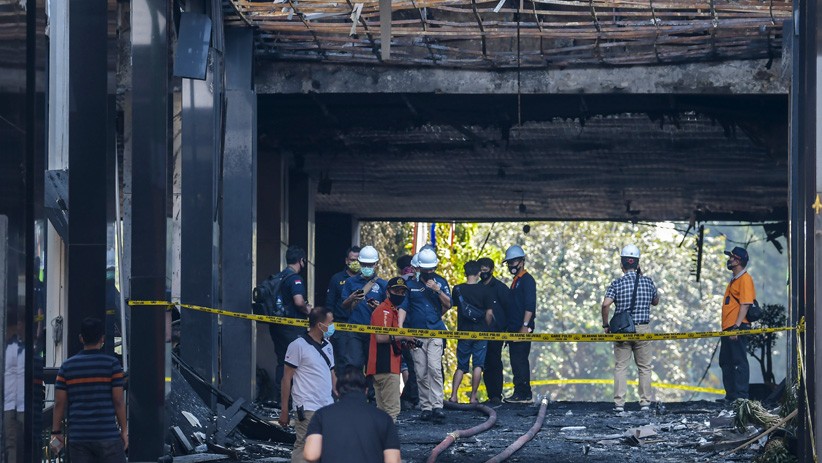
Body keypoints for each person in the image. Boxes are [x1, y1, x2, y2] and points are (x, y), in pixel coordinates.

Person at [51, 317, 127, 463]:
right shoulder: (112, 364)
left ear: (81, 338)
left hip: (79, 437)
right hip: (107, 435)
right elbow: (118, 401)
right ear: (102, 338)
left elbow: (59, 403)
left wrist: (56, 432)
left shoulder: (67, 366)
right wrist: (124, 430)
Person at [600, 244, 659, 412]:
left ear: (622, 264)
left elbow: (605, 305)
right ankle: (645, 403)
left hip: (623, 331)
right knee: (644, 367)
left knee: (621, 366)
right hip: (643, 330)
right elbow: (655, 301)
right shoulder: (648, 282)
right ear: (638, 264)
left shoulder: (616, 284)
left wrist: (606, 325)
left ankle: (619, 404)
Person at [303, 367, 401, 463]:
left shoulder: (321, 415)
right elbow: (393, 460)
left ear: (337, 391)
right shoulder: (384, 418)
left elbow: (311, 455)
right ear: (366, 391)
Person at [279, 307, 338, 463]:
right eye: (330, 323)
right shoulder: (298, 345)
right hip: (306, 407)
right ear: (320, 325)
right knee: (304, 447)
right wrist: (284, 410)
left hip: (327, 406)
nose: (333, 326)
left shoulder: (328, 346)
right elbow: (286, 379)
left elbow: (331, 374)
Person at [399, 248, 451, 423]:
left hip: (436, 332)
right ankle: (426, 407)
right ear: (418, 269)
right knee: (420, 371)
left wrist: (437, 290)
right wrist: (399, 329)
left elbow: (448, 304)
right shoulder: (411, 286)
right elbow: (403, 308)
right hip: (417, 334)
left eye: (431, 269)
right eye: (425, 270)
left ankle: (438, 406)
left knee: (434, 368)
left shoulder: (441, 282)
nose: (429, 273)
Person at [367, 277, 415, 421]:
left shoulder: (391, 311)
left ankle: (380, 441)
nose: (400, 294)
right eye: (396, 291)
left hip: (386, 365)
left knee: (383, 411)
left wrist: (404, 342)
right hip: (385, 365)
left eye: (402, 292)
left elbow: (391, 338)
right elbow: (381, 338)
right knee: (392, 410)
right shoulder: (384, 311)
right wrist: (404, 337)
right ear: (388, 292)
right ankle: (389, 441)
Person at [270, 246, 312, 402]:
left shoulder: (279, 277)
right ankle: (293, 400)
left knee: (282, 362)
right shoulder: (295, 278)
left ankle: (281, 400)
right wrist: (310, 311)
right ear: (301, 261)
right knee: (296, 364)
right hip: (292, 329)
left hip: (277, 327)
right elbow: (299, 302)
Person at [449, 261, 494, 404]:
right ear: (479, 273)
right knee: (478, 365)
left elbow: (456, 307)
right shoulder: (486, 290)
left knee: (461, 366)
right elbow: (489, 313)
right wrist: (486, 326)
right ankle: (473, 397)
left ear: (465, 272)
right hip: (480, 332)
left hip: (463, 333)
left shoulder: (457, 289)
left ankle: (453, 396)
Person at [340, 245, 388, 370]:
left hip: (374, 331)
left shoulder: (383, 285)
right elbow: (343, 306)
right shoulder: (350, 282)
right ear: (360, 263)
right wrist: (351, 298)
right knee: (354, 364)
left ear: (376, 264)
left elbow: (389, 310)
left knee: (372, 366)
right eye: (364, 264)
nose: (367, 268)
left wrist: (378, 307)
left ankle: (371, 390)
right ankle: (354, 389)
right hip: (355, 330)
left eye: (370, 265)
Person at [719, 246, 755, 402]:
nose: (729, 259)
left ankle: (741, 397)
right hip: (728, 328)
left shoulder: (745, 279)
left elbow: (746, 304)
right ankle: (731, 396)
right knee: (725, 362)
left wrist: (736, 327)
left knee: (739, 361)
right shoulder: (734, 280)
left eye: (731, 257)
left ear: (738, 260)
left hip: (737, 327)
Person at [502, 245, 536, 404]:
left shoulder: (527, 280)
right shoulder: (517, 281)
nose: (511, 265)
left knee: (520, 360)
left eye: (514, 261)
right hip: (514, 328)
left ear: (522, 261)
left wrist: (524, 325)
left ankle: (524, 394)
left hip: (522, 328)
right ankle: (519, 392)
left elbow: (530, 305)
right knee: (516, 360)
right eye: (509, 262)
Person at [478, 257, 510, 405]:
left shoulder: (500, 288)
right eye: (481, 270)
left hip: (497, 332)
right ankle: (491, 395)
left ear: (492, 270)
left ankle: (496, 395)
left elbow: (510, 309)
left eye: (486, 270)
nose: (484, 273)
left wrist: (507, 330)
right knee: (483, 363)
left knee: (495, 362)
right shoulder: (477, 287)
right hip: (479, 332)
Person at [326, 246, 361, 370]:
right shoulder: (337, 279)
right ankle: (341, 388)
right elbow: (329, 304)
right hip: (341, 327)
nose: (355, 263)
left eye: (358, 260)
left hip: (360, 327)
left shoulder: (367, 281)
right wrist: (328, 326)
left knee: (358, 362)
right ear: (347, 261)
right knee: (341, 361)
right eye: (352, 260)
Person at [4, 317, 24, 463]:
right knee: (12, 442)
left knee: (18, 443)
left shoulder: (24, 348)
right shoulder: (7, 348)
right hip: (11, 402)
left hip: (18, 403)